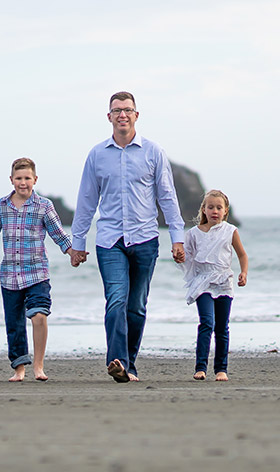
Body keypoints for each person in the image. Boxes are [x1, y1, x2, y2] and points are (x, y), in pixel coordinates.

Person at [70, 91, 185, 383]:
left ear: (136, 115)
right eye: (117, 110)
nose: (123, 114)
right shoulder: (97, 154)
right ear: (109, 116)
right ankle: (116, 361)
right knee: (116, 300)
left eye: (128, 110)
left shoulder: (153, 151)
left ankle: (129, 365)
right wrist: (78, 243)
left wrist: (177, 237)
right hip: (109, 240)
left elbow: (167, 197)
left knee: (136, 306)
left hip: (145, 239)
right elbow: (86, 200)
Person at [0, 157, 72, 382]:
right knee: (15, 324)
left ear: (35, 179)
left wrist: (72, 252)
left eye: (27, 178)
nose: (23, 182)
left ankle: (38, 366)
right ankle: (19, 368)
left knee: (39, 315)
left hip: (37, 271)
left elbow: (58, 233)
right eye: (18, 178)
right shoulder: (1, 205)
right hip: (9, 275)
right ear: (11, 180)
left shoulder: (44, 206)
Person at [182, 190, 248, 382]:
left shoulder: (230, 231)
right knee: (207, 323)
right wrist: (179, 256)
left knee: (221, 328)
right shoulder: (193, 234)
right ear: (204, 209)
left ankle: (221, 369)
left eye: (219, 208)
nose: (214, 211)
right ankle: (200, 367)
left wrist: (243, 272)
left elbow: (242, 255)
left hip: (224, 282)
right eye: (210, 207)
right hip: (202, 282)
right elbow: (186, 257)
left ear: (225, 211)